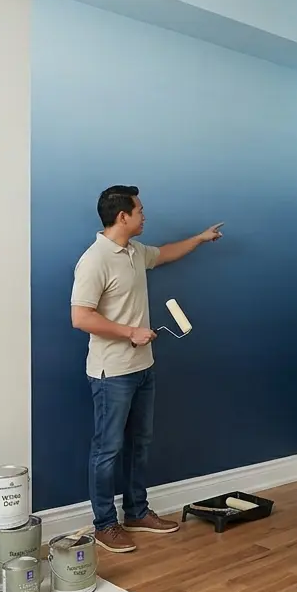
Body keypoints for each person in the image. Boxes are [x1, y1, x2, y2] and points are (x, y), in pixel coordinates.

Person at [70, 184, 223, 553]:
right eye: (139, 211)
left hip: (143, 368)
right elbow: (80, 317)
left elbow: (166, 254)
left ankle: (137, 512)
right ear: (122, 216)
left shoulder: (135, 252)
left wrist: (200, 239)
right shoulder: (95, 260)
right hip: (111, 373)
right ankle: (105, 524)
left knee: (140, 445)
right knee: (107, 449)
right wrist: (130, 333)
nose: (144, 215)